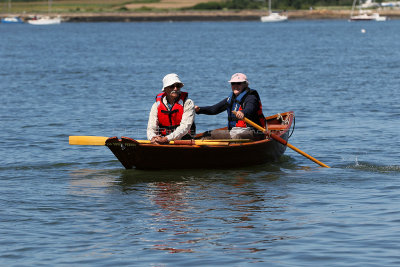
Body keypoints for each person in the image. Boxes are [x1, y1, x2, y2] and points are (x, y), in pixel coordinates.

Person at [195, 73, 266, 140]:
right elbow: (214, 109)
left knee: (237, 136)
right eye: (233, 83)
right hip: (234, 131)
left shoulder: (251, 97)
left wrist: (242, 112)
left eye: (239, 83)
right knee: (208, 134)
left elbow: (250, 108)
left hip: (254, 132)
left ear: (245, 85)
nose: (235, 86)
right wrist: (199, 110)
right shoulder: (230, 99)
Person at [147, 73, 196, 145]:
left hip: (183, 139)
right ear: (165, 89)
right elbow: (151, 127)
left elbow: (185, 127)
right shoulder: (156, 105)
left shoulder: (188, 103)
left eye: (178, 86)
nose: (175, 89)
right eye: (172, 86)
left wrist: (166, 139)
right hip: (162, 139)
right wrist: (152, 138)